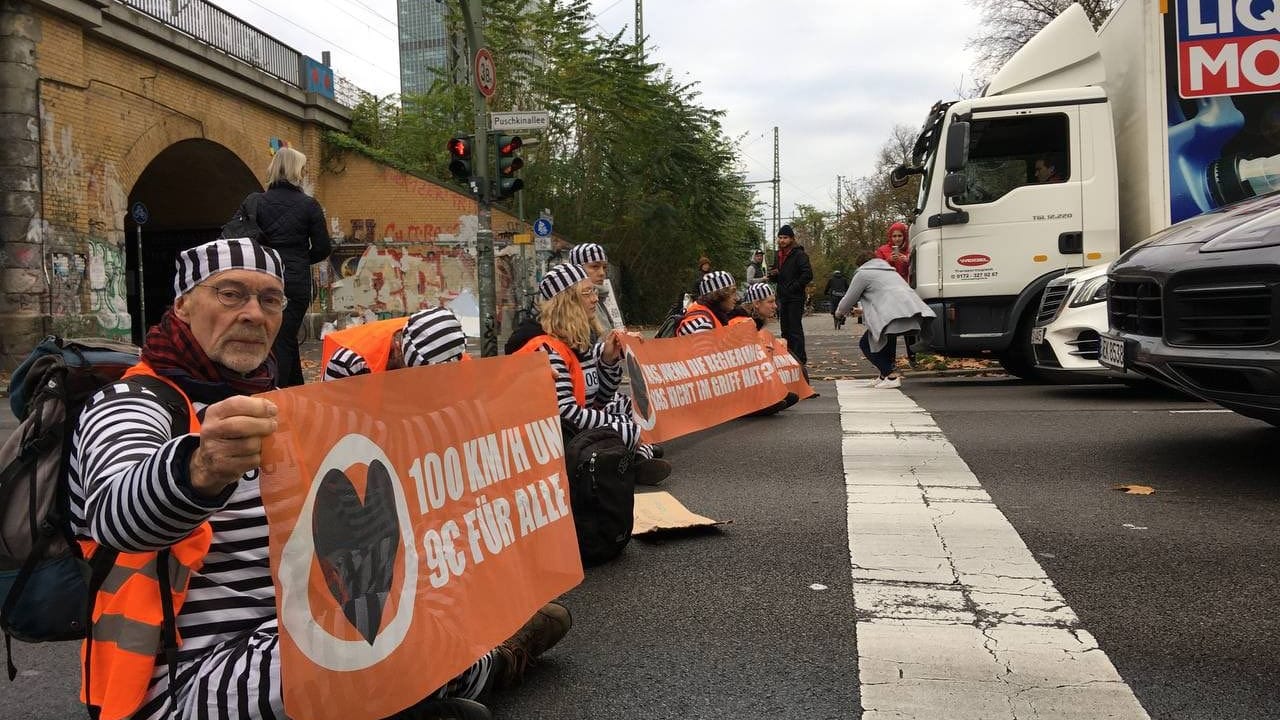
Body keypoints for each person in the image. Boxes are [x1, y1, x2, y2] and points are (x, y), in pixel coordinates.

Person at [68, 237, 568, 720]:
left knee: (426, 594)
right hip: (180, 676)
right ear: (182, 306)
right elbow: (116, 516)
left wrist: (504, 418)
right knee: (374, 640)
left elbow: (393, 443)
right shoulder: (131, 404)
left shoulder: (278, 402)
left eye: (269, 300)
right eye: (230, 293)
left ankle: (455, 674)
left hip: (293, 626)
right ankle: (484, 666)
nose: (252, 314)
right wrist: (199, 468)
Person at [511, 263, 670, 484]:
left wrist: (608, 361)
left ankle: (636, 457)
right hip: (555, 439)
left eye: (593, 291)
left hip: (574, 428)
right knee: (627, 428)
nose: (595, 298)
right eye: (587, 292)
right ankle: (636, 457)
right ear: (566, 302)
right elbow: (566, 414)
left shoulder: (574, 340)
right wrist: (619, 424)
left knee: (633, 410)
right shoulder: (545, 347)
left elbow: (597, 401)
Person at [245, 147, 332, 388]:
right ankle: (278, 392)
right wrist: (301, 260)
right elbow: (323, 247)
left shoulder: (257, 203)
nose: (304, 172)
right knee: (283, 338)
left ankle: (294, 389)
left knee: (282, 336)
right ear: (296, 170)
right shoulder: (309, 205)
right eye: (303, 168)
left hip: (263, 279)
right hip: (295, 281)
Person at [834, 252, 936, 389]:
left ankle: (891, 375)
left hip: (890, 315)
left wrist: (839, 313)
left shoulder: (863, 274)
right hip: (908, 311)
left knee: (866, 344)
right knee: (886, 343)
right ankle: (884, 376)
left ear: (861, 264)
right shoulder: (890, 272)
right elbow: (884, 294)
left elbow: (848, 299)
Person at [323, 306, 469, 381]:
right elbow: (333, 421)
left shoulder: (453, 355)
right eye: (416, 374)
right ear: (398, 348)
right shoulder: (348, 363)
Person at [767, 225, 813, 365]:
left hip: (795, 296)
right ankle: (788, 355)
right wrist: (773, 275)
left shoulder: (799, 255)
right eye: (780, 238)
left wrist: (794, 287)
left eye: (785, 238)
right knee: (785, 328)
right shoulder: (778, 254)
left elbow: (807, 274)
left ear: (792, 239)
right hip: (782, 296)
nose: (782, 240)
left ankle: (799, 358)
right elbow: (780, 275)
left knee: (794, 328)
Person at [875, 222, 916, 365]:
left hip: (906, 291)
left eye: (900, 236)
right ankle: (891, 360)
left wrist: (908, 261)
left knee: (910, 326)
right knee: (891, 328)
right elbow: (876, 269)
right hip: (889, 293)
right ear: (890, 237)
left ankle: (913, 357)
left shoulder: (910, 250)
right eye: (894, 236)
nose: (897, 239)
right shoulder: (882, 250)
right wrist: (888, 261)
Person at [569, 242, 620, 333]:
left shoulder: (600, 297)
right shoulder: (572, 303)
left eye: (604, 267)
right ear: (577, 269)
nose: (602, 273)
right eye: (595, 266)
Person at [676, 270, 742, 335]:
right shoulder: (703, 324)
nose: (737, 298)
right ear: (719, 295)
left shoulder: (711, 315)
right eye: (732, 293)